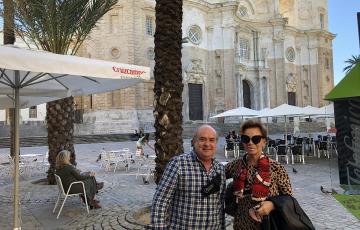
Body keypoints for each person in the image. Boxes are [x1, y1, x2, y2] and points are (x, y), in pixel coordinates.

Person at [149, 125, 226, 229]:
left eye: (211, 140)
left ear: (216, 143)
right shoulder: (178, 164)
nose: (207, 144)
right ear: (194, 142)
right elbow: (160, 201)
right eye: (202, 139)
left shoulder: (220, 169)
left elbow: (220, 205)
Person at [225, 120, 293, 230]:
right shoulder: (235, 165)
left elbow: (288, 197)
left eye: (256, 139)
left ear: (264, 141)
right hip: (241, 224)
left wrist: (272, 205)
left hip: (268, 224)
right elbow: (216, 175)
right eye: (246, 139)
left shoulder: (276, 168)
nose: (250, 143)